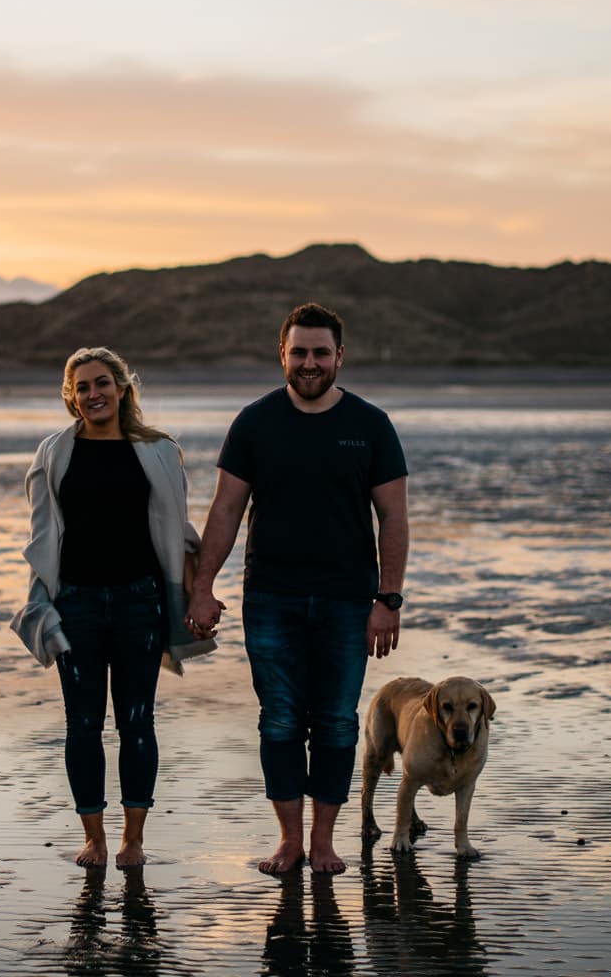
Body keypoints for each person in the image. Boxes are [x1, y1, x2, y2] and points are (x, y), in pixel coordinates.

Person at [185, 303, 408, 875]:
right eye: (300, 352)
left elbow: (395, 518)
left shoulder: (371, 426)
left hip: (346, 601)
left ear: (339, 357)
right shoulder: (255, 423)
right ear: (282, 354)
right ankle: (288, 840)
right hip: (271, 599)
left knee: (335, 721)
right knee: (280, 720)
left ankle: (325, 841)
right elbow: (226, 510)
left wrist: (388, 600)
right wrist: (202, 587)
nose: (310, 364)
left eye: (321, 353)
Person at [12, 347, 215, 868]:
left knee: (136, 721)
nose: (93, 394)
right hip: (74, 602)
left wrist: (195, 593)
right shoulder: (53, 453)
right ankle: (95, 839)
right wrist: (42, 600)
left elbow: (178, 532)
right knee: (81, 724)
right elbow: (41, 536)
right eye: (81, 387)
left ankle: (133, 839)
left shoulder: (159, 451)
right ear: (71, 397)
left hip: (139, 602)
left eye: (102, 383)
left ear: (123, 389)